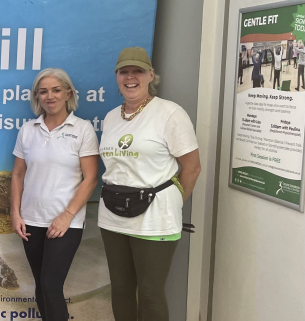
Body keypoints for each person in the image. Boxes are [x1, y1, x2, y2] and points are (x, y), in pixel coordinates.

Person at [99, 47, 201, 321]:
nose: (130, 77)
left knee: (150, 294)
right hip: (112, 217)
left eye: (138, 71)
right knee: (120, 289)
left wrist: (171, 203)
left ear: (151, 75)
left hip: (155, 219)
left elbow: (192, 167)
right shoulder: (111, 117)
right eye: (124, 72)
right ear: (117, 76)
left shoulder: (170, 113)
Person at [9, 68, 99, 321]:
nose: (50, 96)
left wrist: (66, 216)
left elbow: (91, 178)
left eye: (56, 90)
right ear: (37, 97)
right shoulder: (28, 130)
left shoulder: (82, 129)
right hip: (31, 220)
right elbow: (17, 175)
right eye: (43, 91)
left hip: (66, 222)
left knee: (51, 284)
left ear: (68, 93)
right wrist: (15, 214)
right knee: (41, 285)